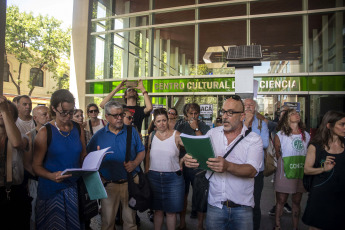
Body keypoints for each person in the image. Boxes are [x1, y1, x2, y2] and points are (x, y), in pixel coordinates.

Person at [183, 95, 263, 230]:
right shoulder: (211, 134)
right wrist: (189, 159)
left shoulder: (254, 139)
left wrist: (228, 166)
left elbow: (252, 170)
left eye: (230, 112)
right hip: (215, 206)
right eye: (223, 111)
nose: (225, 116)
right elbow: (200, 157)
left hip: (242, 208)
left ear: (242, 116)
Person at [32, 89, 87, 229]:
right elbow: (36, 166)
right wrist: (50, 176)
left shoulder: (78, 128)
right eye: (63, 112)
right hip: (51, 190)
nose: (68, 116)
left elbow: (83, 156)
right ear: (53, 108)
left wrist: (95, 158)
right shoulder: (45, 132)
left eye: (71, 112)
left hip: (73, 189)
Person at [86, 101, 145, 230]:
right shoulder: (98, 136)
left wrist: (135, 163)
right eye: (115, 115)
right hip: (109, 185)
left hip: (130, 183)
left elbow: (141, 151)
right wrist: (98, 176)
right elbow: (87, 159)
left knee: (130, 222)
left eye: (121, 114)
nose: (119, 118)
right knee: (107, 223)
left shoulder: (132, 131)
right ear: (107, 116)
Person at [302, 110, 345, 230]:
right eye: (341, 124)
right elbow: (307, 170)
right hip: (321, 195)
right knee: (317, 226)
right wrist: (322, 169)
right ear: (329, 126)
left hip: (341, 194)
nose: (344, 128)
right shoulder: (315, 146)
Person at [144, 108, 185, 230]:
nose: (161, 123)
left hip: (173, 179)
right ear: (154, 123)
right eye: (158, 121)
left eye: (164, 120)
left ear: (168, 121)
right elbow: (148, 154)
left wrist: (183, 160)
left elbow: (193, 147)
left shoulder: (176, 135)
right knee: (157, 211)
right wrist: (147, 170)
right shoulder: (151, 135)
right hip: (154, 177)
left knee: (171, 212)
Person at [273, 108, 310, 230]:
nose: (297, 115)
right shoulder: (280, 135)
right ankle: (277, 226)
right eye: (293, 114)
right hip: (285, 171)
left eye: (298, 113)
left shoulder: (306, 135)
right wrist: (285, 165)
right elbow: (277, 153)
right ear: (287, 118)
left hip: (299, 171)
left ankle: (295, 227)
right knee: (281, 200)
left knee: (297, 201)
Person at [175, 103, 210, 230]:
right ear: (186, 115)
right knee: (183, 195)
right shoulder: (180, 126)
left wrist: (196, 129)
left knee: (200, 196)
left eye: (196, 113)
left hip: (199, 167)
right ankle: (182, 222)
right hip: (184, 166)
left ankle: (200, 225)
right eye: (191, 113)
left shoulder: (204, 126)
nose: (194, 116)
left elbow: (204, 145)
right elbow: (176, 144)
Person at [0, 96, 31, 229]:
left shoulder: (22, 136)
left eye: (6, 112)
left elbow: (16, 143)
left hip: (15, 193)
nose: (1, 114)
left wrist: (5, 110)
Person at [243, 98, 269, 230]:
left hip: (257, 169)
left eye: (251, 105)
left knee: (255, 202)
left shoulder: (261, 123)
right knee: (241, 201)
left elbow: (265, 143)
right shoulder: (237, 122)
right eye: (245, 105)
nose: (248, 107)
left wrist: (247, 140)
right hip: (240, 168)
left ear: (255, 108)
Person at [25, 105, 50, 230]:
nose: (48, 116)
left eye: (48, 113)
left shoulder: (53, 133)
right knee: (36, 213)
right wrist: (40, 176)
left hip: (51, 179)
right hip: (37, 180)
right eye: (44, 114)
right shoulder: (30, 136)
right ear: (35, 118)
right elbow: (27, 163)